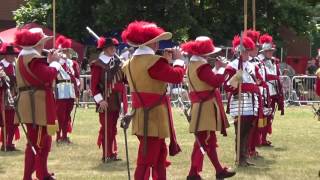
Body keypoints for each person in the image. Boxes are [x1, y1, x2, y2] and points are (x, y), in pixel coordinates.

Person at [121, 20, 185, 179]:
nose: (158, 44)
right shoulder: (154, 62)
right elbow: (176, 76)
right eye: (156, 40)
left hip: (141, 114)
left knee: (159, 157)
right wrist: (178, 60)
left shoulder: (129, 63)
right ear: (151, 43)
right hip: (153, 117)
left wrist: (166, 61)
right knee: (147, 160)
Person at [182, 36, 235, 180]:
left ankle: (218, 170)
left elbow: (207, 80)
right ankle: (193, 173)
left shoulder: (193, 64)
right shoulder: (202, 66)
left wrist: (218, 68)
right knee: (204, 141)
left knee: (208, 141)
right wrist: (226, 69)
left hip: (201, 106)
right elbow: (216, 82)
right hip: (205, 107)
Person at [14, 28, 61, 180]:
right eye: (42, 43)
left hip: (31, 103)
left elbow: (36, 77)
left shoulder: (24, 57)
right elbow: (46, 76)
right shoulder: (33, 57)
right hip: (37, 105)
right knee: (42, 142)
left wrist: (49, 62)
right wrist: (55, 64)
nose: (44, 46)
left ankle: (31, 175)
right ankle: (42, 174)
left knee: (34, 143)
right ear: (37, 44)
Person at [224, 35, 264, 167]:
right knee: (240, 131)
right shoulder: (233, 66)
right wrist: (237, 78)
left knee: (248, 131)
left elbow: (258, 81)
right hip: (240, 101)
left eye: (248, 51)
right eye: (245, 51)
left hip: (252, 102)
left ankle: (244, 156)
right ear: (239, 52)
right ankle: (239, 158)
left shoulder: (252, 65)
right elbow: (228, 86)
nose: (247, 53)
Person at [90, 36, 128, 162]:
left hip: (116, 100)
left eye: (114, 47)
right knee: (106, 128)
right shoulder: (98, 64)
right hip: (104, 100)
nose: (113, 49)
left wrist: (127, 67)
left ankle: (111, 153)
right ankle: (106, 154)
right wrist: (100, 100)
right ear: (104, 49)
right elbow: (93, 86)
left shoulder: (118, 63)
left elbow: (125, 80)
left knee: (113, 128)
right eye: (110, 47)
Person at [258, 34, 284, 146]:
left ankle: (263, 138)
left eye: (271, 51)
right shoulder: (259, 61)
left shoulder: (274, 62)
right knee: (262, 116)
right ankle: (259, 139)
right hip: (264, 92)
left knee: (270, 116)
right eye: (268, 51)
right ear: (263, 51)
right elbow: (263, 76)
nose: (270, 53)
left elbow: (276, 74)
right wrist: (275, 78)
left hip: (273, 92)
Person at [54, 35, 80, 144]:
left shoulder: (72, 63)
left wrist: (77, 89)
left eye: (66, 50)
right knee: (60, 114)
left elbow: (77, 77)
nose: (65, 52)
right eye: (62, 50)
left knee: (67, 114)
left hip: (70, 89)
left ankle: (65, 135)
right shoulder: (55, 63)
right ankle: (58, 135)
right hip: (60, 89)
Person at [0, 43, 20, 151]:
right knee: (6, 121)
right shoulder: (1, 66)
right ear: (6, 55)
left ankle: (10, 143)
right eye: (12, 55)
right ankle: (5, 143)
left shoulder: (14, 66)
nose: (13, 57)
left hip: (15, 95)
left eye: (14, 55)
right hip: (4, 96)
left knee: (14, 121)